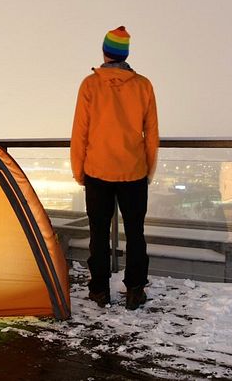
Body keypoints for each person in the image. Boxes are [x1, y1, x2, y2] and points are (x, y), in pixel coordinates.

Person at [70, 26, 159, 310]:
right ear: (126, 54)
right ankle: (134, 290)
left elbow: (79, 133)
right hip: (133, 171)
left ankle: (99, 290)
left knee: (98, 233)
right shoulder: (143, 85)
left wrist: (78, 170)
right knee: (135, 233)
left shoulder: (90, 84)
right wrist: (149, 170)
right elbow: (152, 134)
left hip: (97, 170)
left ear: (105, 53)